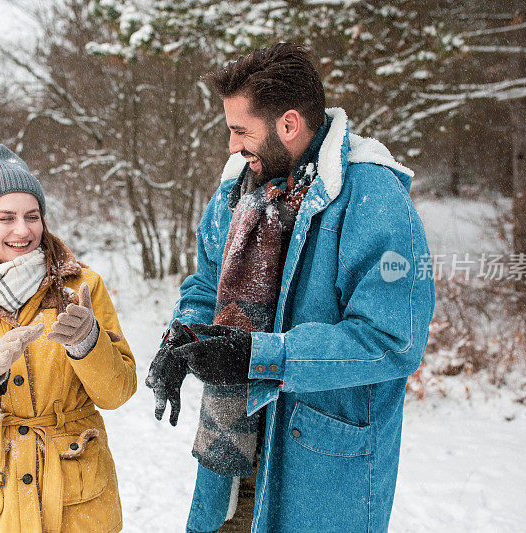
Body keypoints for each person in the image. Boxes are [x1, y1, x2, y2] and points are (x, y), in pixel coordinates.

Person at [146, 43, 435, 532]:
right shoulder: (240, 185)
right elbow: (207, 279)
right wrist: (182, 338)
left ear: (289, 124)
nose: (232, 146)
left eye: (241, 131)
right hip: (230, 464)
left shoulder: (372, 198)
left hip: (319, 474)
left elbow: (392, 342)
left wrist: (262, 357)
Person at [0, 142, 136, 532]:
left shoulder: (82, 287)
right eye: (6, 218)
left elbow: (118, 392)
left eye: (32, 216)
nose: (23, 230)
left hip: (77, 496)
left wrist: (89, 344)